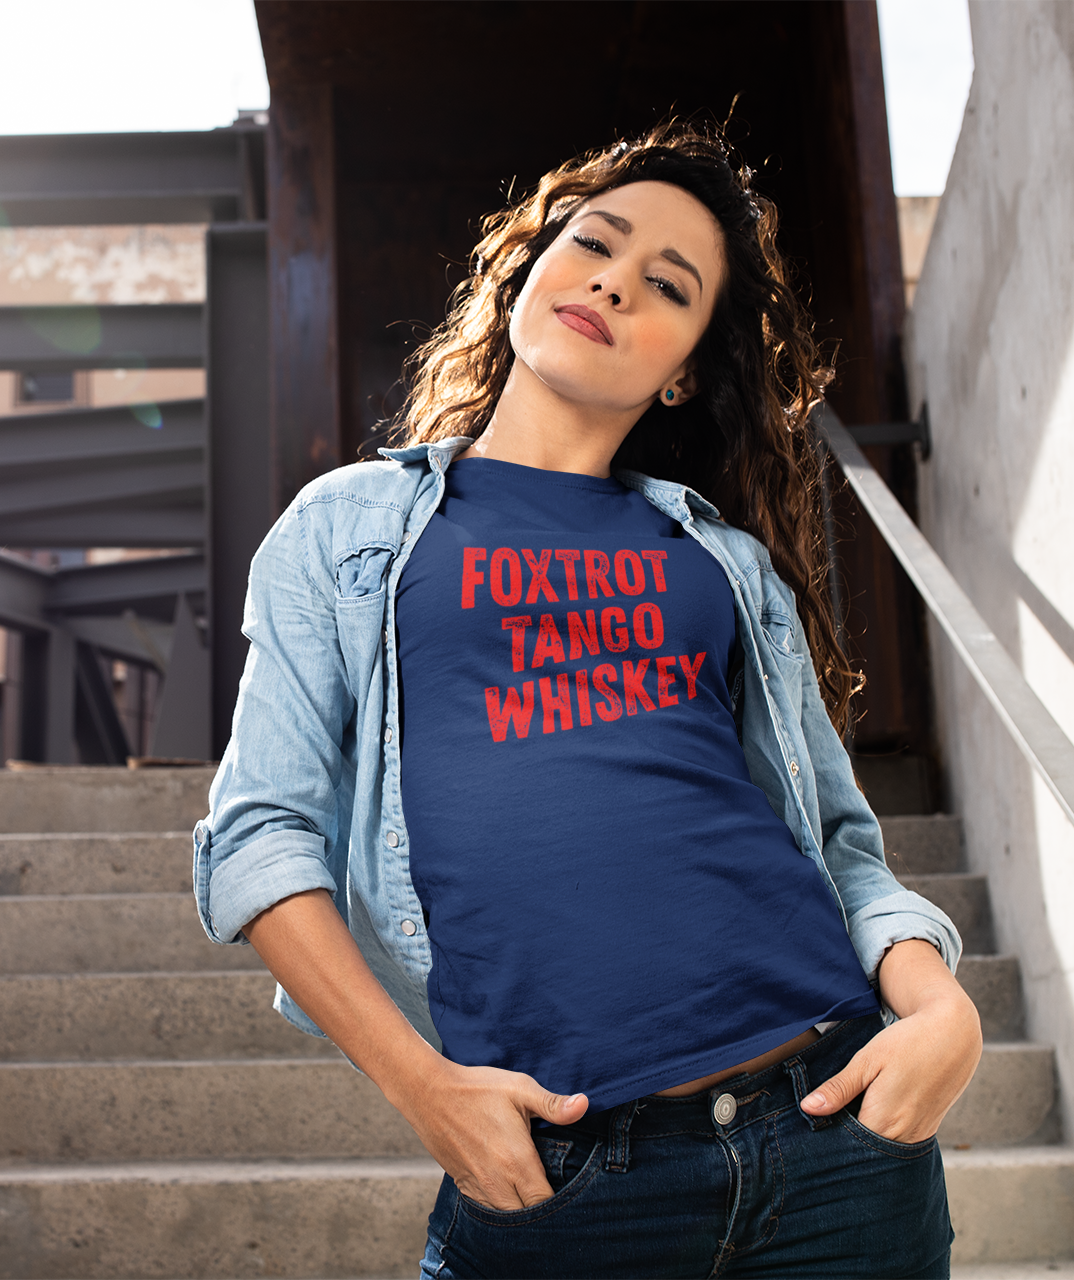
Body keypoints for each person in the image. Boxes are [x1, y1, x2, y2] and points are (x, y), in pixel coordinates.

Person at [193, 123, 983, 1278]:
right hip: (562, 1172)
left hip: (835, 1132)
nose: (614, 280)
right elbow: (258, 833)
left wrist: (941, 1011)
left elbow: (838, 849)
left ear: (682, 370)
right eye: (595, 243)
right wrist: (424, 1088)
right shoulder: (345, 528)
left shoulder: (721, 563)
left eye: (667, 284)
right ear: (527, 271)